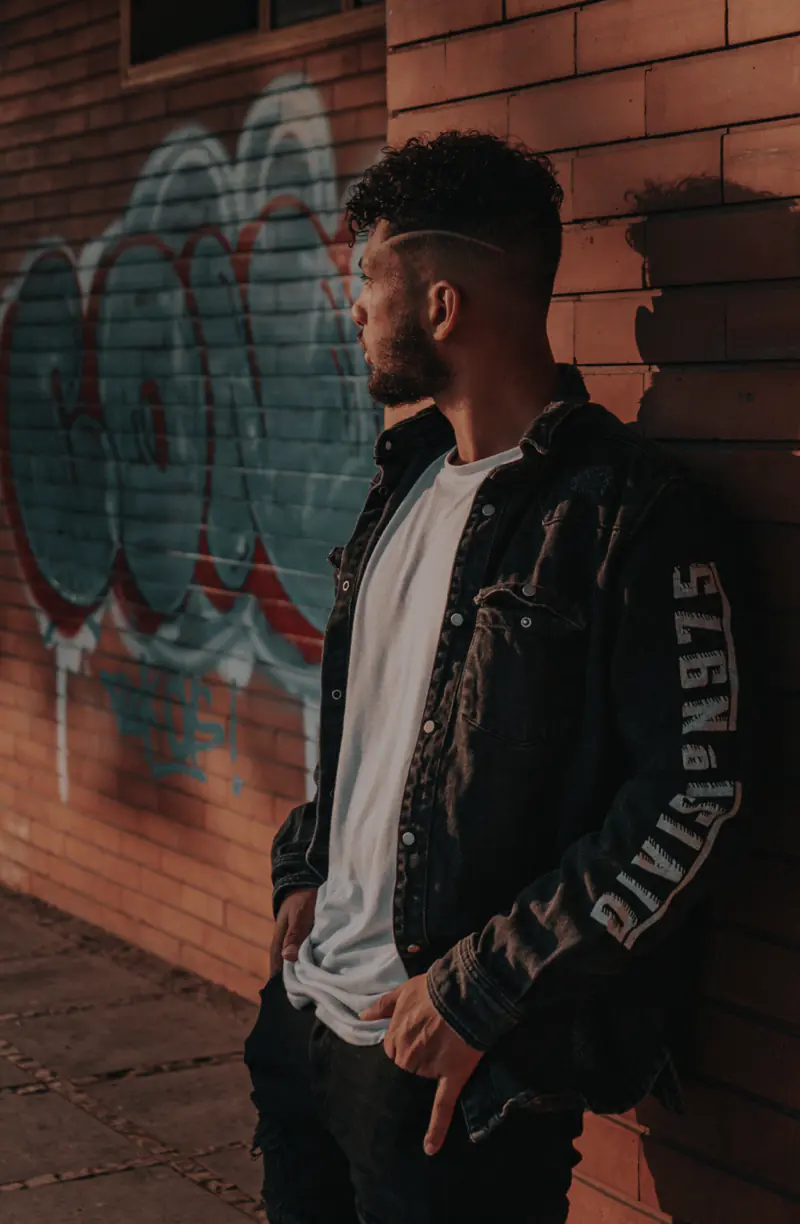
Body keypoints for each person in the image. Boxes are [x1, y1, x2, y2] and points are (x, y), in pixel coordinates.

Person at [244, 131, 751, 1224]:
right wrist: (304, 860)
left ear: (438, 303)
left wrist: (479, 993)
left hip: (447, 1076)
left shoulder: (626, 519)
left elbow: (692, 793)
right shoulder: (402, 481)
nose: (355, 313)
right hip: (302, 1027)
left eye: (366, 283)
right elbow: (369, 722)